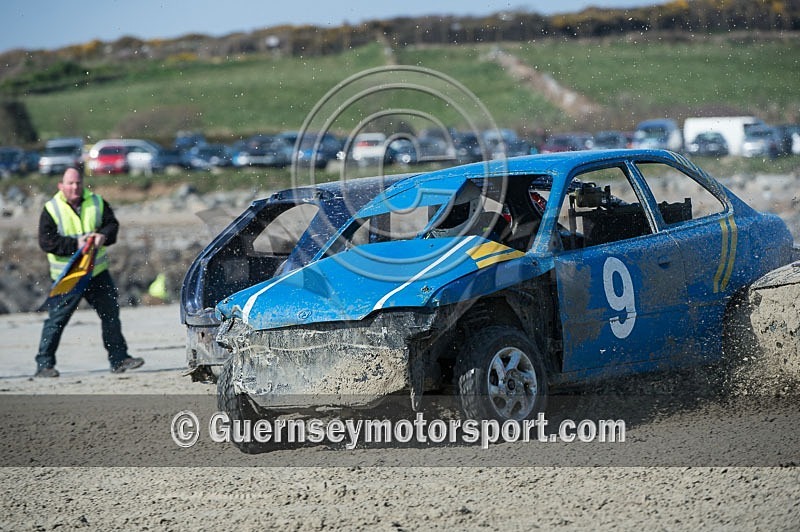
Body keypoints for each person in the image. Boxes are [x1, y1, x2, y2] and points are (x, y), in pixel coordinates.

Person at [34, 167, 144, 377]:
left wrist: (104, 236)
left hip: (97, 272)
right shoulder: (51, 209)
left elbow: (112, 225)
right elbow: (47, 242)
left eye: (78, 183)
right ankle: (44, 364)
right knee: (57, 320)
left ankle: (119, 359)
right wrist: (76, 243)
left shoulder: (97, 202)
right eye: (70, 183)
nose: (75, 187)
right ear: (61, 186)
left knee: (111, 314)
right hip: (69, 276)